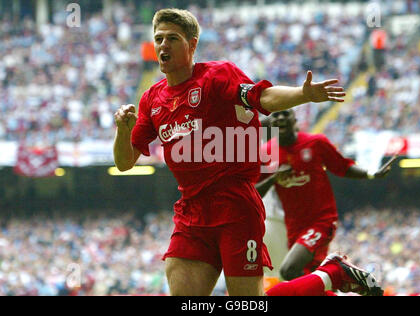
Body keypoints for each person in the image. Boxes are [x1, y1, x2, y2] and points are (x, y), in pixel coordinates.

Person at [113, 8, 380, 296]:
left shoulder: (217, 76)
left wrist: (304, 94)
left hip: (235, 205)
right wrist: (123, 130)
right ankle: (333, 273)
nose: (163, 45)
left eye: (172, 38)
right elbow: (124, 161)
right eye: (159, 38)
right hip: (191, 210)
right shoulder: (152, 98)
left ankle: (332, 273)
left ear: (191, 45)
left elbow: (262, 96)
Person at [256, 109, 395, 282]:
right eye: (276, 115)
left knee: (288, 271)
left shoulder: (316, 143)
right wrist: (273, 179)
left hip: (321, 220)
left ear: (295, 120)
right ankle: (340, 281)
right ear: (272, 123)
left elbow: (342, 166)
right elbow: (254, 191)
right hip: (294, 227)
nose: (281, 118)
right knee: (311, 279)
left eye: (286, 114)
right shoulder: (267, 152)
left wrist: (371, 173)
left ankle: (341, 270)